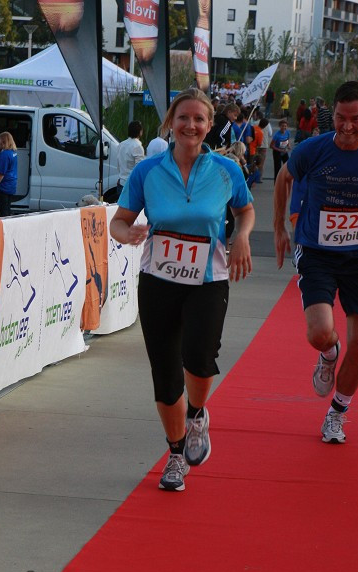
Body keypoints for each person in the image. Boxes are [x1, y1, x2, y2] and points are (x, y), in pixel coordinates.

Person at [109, 87, 254, 492]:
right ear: (170, 123)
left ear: (210, 126)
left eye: (199, 119)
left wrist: (242, 235)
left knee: (200, 357)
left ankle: (197, 414)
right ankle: (176, 454)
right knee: (166, 373)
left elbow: (245, 209)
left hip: (208, 280)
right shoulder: (148, 171)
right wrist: (129, 232)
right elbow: (117, 222)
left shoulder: (227, 171)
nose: (191, 125)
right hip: (158, 281)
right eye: (183, 118)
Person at [274, 80, 358, 444]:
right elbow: (284, 177)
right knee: (320, 332)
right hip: (316, 251)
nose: (347, 127)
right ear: (332, 115)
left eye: (356, 119)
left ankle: (337, 412)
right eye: (340, 118)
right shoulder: (313, 148)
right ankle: (329, 353)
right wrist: (279, 230)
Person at [0, 131, 18, 217]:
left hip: (3, 186)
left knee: (3, 211)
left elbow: (1, 173)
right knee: (7, 208)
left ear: (3, 141)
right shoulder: (13, 152)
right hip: (10, 184)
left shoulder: (4, 155)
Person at [116, 120, 144, 199]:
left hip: (121, 182)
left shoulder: (121, 144)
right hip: (132, 185)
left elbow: (118, 163)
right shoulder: (137, 146)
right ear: (140, 132)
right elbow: (139, 168)